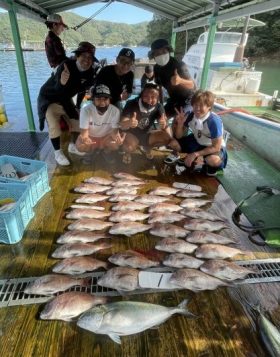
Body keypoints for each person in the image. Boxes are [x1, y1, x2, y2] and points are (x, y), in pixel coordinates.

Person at [37, 41, 96, 166]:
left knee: (77, 121)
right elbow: (58, 90)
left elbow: (82, 91)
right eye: (84, 56)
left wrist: (77, 106)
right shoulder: (66, 66)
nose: (86, 60)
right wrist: (62, 83)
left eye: (90, 58)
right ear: (77, 56)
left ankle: (72, 145)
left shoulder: (90, 72)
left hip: (65, 99)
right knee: (53, 124)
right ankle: (57, 152)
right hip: (50, 98)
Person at [170, 90, 228, 176]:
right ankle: (187, 157)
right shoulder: (191, 115)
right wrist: (180, 124)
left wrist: (195, 154)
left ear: (209, 107)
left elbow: (216, 147)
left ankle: (210, 168)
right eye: (195, 105)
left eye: (201, 105)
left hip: (212, 146)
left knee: (213, 160)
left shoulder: (213, 121)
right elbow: (179, 136)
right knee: (173, 143)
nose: (197, 108)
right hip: (197, 140)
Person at [120, 83, 177, 164]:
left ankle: (147, 147)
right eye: (146, 96)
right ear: (141, 96)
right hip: (132, 134)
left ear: (157, 98)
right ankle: (128, 152)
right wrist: (129, 122)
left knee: (166, 138)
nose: (150, 100)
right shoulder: (131, 103)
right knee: (129, 147)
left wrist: (166, 129)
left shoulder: (159, 107)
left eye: (153, 97)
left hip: (148, 135)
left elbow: (166, 124)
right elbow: (122, 123)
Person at [76, 84, 125, 160]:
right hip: (91, 137)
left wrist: (117, 139)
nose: (102, 103)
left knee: (115, 145)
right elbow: (84, 133)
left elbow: (114, 131)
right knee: (80, 146)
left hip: (106, 137)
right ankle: (90, 152)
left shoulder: (115, 111)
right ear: (93, 100)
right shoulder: (85, 110)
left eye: (105, 99)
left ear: (109, 100)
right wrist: (86, 139)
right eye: (98, 99)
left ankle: (106, 151)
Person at [149, 38, 195, 118]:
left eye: (164, 52)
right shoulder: (156, 68)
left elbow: (192, 85)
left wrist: (180, 81)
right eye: (157, 53)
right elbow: (159, 86)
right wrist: (160, 104)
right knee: (159, 116)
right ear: (154, 56)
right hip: (174, 99)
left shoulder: (179, 65)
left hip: (189, 100)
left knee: (179, 121)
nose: (161, 55)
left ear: (169, 52)